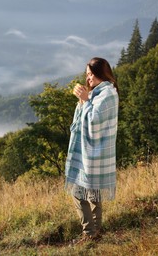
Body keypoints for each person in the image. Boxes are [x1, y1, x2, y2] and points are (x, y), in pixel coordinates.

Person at [65, 57, 119, 244]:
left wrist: (85, 100)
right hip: (94, 152)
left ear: (99, 73)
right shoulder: (100, 92)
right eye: (87, 75)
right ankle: (96, 231)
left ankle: (89, 233)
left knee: (78, 192)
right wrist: (83, 101)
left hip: (94, 153)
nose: (88, 79)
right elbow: (86, 116)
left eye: (90, 74)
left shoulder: (107, 94)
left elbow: (94, 123)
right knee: (93, 194)